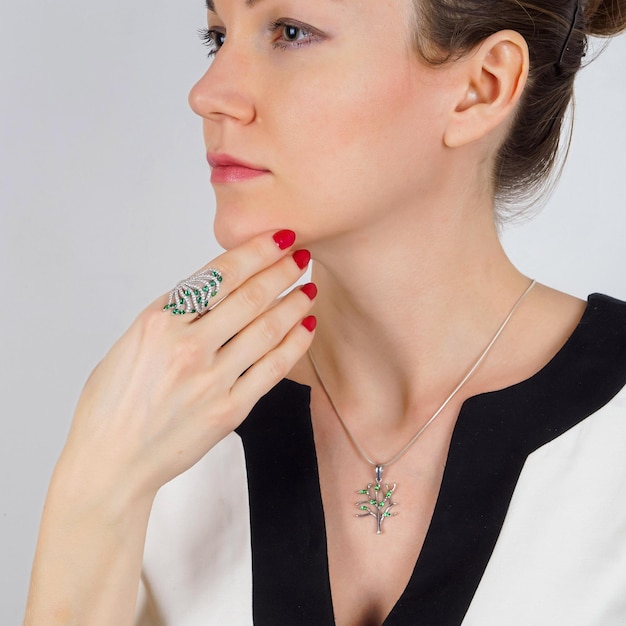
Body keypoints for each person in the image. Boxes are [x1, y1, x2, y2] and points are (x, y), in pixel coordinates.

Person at [24, 0, 626, 625]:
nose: (208, 95)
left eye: (290, 32)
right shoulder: (162, 434)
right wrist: (95, 491)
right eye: (217, 37)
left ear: (482, 87)